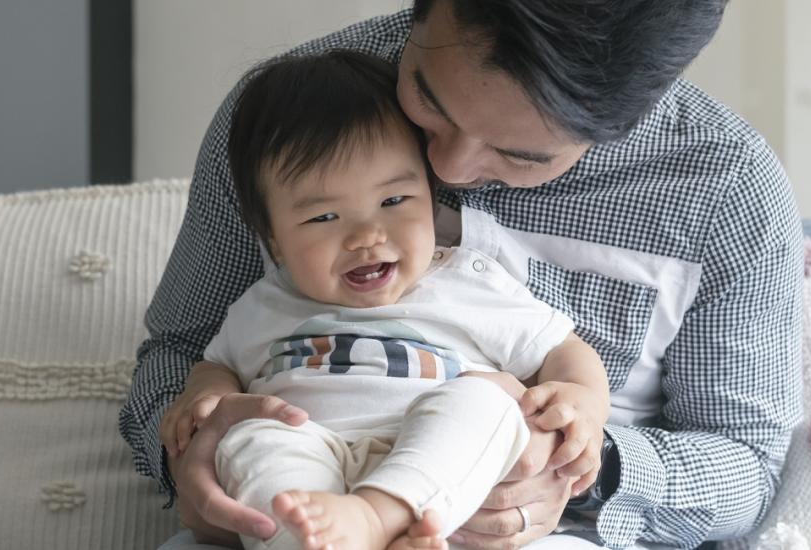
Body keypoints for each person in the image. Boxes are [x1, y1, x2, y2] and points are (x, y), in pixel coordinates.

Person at [120, 1, 804, 548]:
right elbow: (181, 351)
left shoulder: (727, 190)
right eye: (428, 100)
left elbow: (748, 467)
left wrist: (579, 473)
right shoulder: (285, 121)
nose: (445, 170)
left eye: (522, 155)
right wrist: (190, 458)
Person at [159, 50, 609, 550]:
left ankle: (380, 517)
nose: (367, 237)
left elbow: (561, 350)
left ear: (431, 196)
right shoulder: (262, 303)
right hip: (312, 473)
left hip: (437, 479)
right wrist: (203, 397)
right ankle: (312, 540)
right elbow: (214, 364)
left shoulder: (469, 283)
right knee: (251, 436)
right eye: (323, 218)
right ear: (273, 237)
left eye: (394, 202)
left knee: (487, 402)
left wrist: (582, 402)